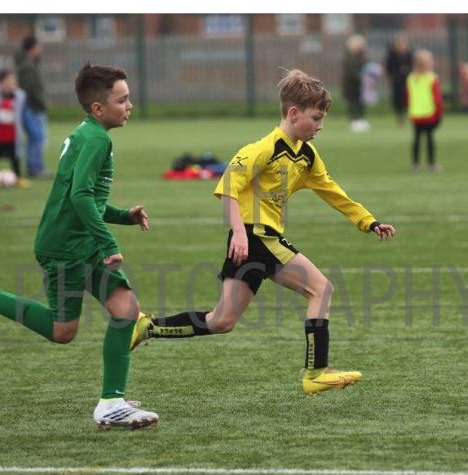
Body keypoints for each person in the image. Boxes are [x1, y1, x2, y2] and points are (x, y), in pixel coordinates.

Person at [131, 69, 396, 396]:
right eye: (316, 118)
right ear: (294, 113)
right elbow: (228, 186)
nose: (320, 126)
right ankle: (316, 372)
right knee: (321, 289)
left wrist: (368, 221)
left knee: (221, 321)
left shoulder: (307, 155)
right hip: (257, 236)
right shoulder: (263, 148)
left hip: (253, 241)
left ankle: (147, 327)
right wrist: (239, 232)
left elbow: (332, 191)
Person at [0, 63, 158, 430]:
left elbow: (84, 198)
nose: (129, 105)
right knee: (62, 331)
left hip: (80, 243)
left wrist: (123, 216)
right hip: (66, 249)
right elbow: (80, 196)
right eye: (122, 100)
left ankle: (112, 401)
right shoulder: (97, 140)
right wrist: (109, 242)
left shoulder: (88, 133)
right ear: (98, 108)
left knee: (125, 309)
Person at [15, 35, 50, 178]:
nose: (40, 49)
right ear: (33, 48)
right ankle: (35, 168)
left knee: (34, 138)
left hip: (32, 106)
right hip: (32, 107)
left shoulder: (30, 64)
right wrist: (41, 102)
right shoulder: (28, 66)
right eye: (38, 46)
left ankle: (34, 167)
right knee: (37, 138)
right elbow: (30, 88)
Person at [407, 49, 443, 172]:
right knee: (429, 139)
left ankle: (415, 164)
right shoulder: (432, 78)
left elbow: (408, 96)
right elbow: (437, 97)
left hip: (416, 113)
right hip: (429, 113)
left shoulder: (411, 78)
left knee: (416, 139)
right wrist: (440, 112)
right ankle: (431, 164)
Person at [341, 34, 370, 132]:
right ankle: (354, 121)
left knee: (361, 102)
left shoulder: (362, 56)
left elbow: (366, 67)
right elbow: (350, 70)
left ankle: (361, 119)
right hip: (350, 83)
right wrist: (360, 76)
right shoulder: (349, 57)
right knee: (352, 102)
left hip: (361, 83)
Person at [385, 33, 413, 127]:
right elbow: (389, 68)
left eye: (403, 43)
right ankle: (400, 119)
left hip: (408, 80)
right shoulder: (392, 55)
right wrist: (395, 75)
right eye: (399, 43)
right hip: (397, 81)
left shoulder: (409, 54)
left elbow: (412, 66)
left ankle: (411, 117)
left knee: (409, 100)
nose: (401, 45)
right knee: (398, 101)